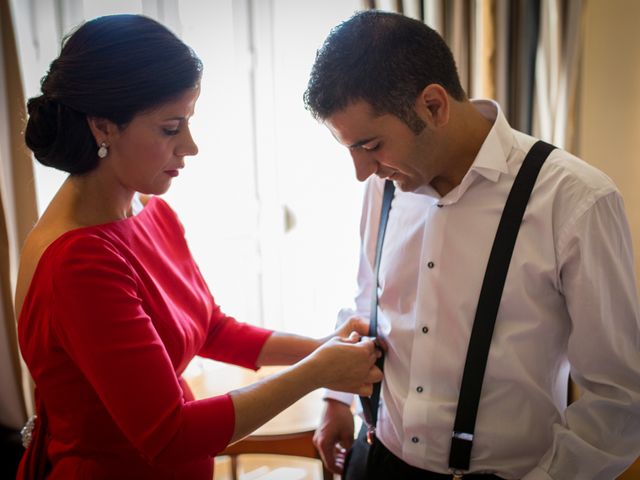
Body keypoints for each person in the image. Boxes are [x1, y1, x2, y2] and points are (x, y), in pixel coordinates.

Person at [15, 14, 383, 480]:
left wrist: (321, 347)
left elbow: (211, 328)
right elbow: (169, 435)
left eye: (188, 122)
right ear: (103, 127)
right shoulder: (79, 262)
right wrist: (316, 372)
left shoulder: (149, 211)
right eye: (171, 128)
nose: (190, 147)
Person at [304, 10, 640, 480]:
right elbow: (367, 301)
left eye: (371, 144)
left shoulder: (575, 200)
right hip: (373, 456)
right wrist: (336, 399)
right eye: (351, 149)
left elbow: (619, 396)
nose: (362, 171)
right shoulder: (383, 185)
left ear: (434, 106)